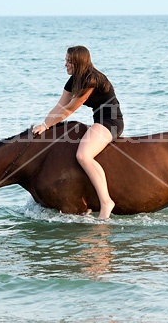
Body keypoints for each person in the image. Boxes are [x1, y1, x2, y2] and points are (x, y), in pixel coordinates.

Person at [32, 46, 124, 219]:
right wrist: (44, 125)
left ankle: (106, 202)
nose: (65, 64)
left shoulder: (91, 80)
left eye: (68, 61)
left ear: (78, 62)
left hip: (111, 122)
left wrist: (46, 125)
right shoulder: (73, 80)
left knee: (83, 156)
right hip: (99, 121)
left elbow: (69, 110)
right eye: (65, 60)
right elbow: (60, 106)